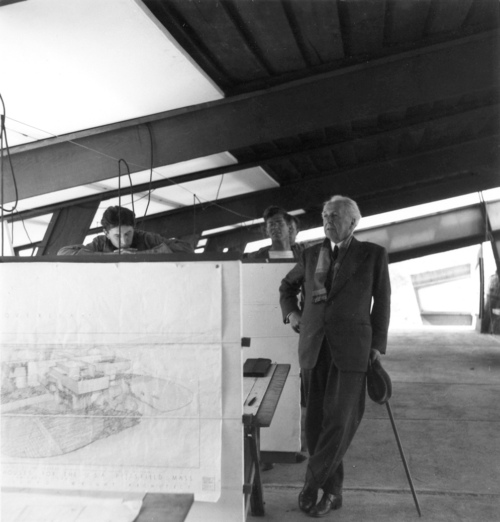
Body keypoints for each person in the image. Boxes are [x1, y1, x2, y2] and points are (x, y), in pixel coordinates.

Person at [279, 195, 391, 517]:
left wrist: (376, 345)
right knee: (315, 424)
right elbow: (286, 288)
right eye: (326, 215)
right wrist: (292, 315)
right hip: (314, 347)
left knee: (340, 422)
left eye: (335, 216)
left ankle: (312, 484)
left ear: (353, 222)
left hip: (353, 350)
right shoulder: (312, 253)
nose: (327, 221)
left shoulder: (372, 255)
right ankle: (333, 493)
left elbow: (381, 303)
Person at [57, 206, 193, 255]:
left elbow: (185, 248)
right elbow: (63, 253)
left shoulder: (146, 238)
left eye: (128, 233)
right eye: (117, 235)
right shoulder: (100, 243)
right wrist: (111, 257)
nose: (124, 241)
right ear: (106, 233)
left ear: (134, 228)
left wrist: (139, 255)